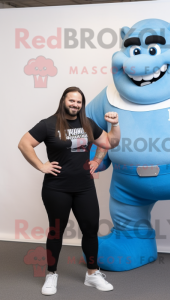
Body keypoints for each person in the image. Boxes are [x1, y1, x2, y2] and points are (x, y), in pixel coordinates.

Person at [18, 87, 120, 295]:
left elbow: (110, 142)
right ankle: (51, 274)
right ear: (63, 100)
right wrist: (41, 165)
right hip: (57, 188)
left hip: (84, 187)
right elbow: (24, 143)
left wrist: (114, 127)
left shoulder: (88, 124)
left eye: (79, 102)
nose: (75, 104)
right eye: (71, 100)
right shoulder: (49, 124)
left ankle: (92, 274)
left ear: (82, 105)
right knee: (56, 231)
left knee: (90, 230)